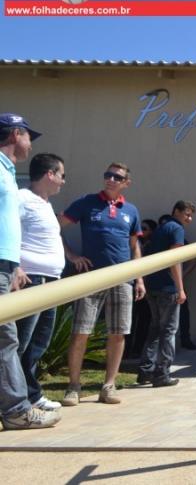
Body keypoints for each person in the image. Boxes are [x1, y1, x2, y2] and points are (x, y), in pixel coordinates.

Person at [60, 162, 146, 406]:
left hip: (122, 279)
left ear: (126, 183)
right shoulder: (86, 202)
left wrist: (139, 278)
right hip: (92, 277)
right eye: (108, 175)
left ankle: (108, 386)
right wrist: (72, 256)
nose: (111, 179)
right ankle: (73, 387)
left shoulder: (131, 210)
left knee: (118, 333)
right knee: (81, 332)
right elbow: (54, 226)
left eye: (117, 177)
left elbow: (134, 246)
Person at [0, 113, 60, 430]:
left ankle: (16, 406)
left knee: (8, 341)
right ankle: (16, 410)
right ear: (15, 134)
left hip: (7, 267)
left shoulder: (8, 173)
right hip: (6, 268)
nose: (30, 144)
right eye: (27, 136)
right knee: (7, 340)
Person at [14, 154, 66, 413]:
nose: (63, 181)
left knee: (39, 344)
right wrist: (15, 267)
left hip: (50, 282)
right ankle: (13, 400)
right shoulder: (21, 198)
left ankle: (31, 394)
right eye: (62, 175)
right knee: (20, 344)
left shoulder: (45, 204)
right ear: (50, 174)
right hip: (32, 281)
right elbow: (5, 230)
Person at [137, 200, 195, 387]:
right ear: (176, 211)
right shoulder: (176, 229)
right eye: (187, 214)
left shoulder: (161, 228)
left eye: (191, 216)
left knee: (155, 329)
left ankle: (145, 371)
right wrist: (180, 288)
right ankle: (162, 374)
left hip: (152, 286)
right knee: (169, 331)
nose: (189, 219)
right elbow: (174, 260)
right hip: (167, 288)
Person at [126, 218, 157, 358]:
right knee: (129, 320)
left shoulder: (154, 245)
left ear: (152, 231)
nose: (141, 231)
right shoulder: (133, 243)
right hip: (131, 285)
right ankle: (126, 351)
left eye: (144, 229)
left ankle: (138, 350)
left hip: (148, 288)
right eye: (140, 228)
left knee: (144, 321)